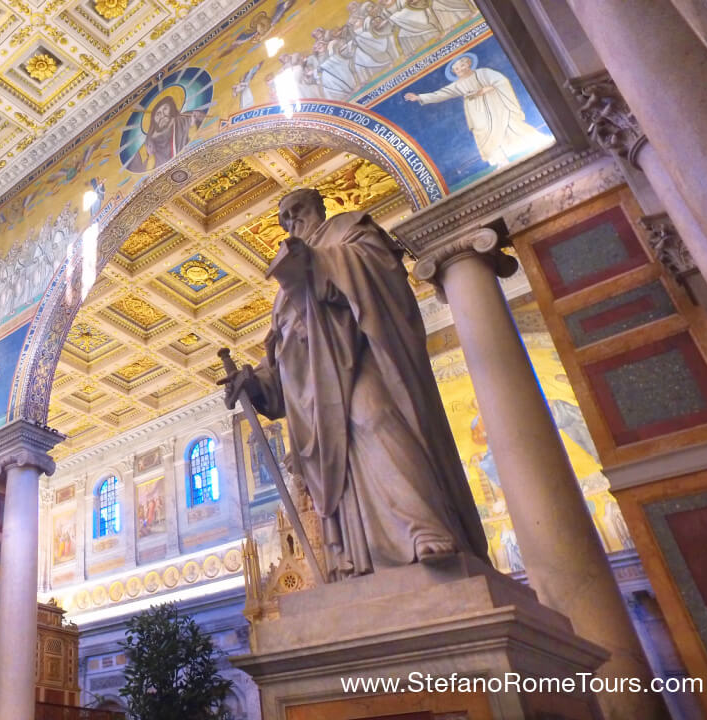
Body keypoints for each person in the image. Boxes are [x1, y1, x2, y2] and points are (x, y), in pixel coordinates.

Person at [220, 188, 489, 579]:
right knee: (343, 465)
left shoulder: (349, 230)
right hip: (314, 394)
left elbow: (380, 272)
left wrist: (319, 265)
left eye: (295, 211)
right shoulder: (282, 296)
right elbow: (279, 359)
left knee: (376, 420)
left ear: (319, 206)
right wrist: (255, 382)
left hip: (357, 360)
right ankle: (356, 560)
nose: (291, 221)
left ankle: (424, 527)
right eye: (284, 219)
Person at [404, 54, 548, 166]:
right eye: (456, 69)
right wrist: (419, 97)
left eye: (461, 66)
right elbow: (441, 94)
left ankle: (532, 143)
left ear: (468, 64)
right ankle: (499, 160)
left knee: (508, 125)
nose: (459, 70)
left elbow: (501, 81)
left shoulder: (483, 72)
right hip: (476, 112)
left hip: (495, 105)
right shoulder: (458, 85)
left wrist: (486, 89)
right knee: (483, 132)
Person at [125, 95, 205, 172]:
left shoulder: (185, 120)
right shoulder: (148, 144)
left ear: (171, 108)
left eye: (165, 109)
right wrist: (150, 156)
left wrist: (197, 118)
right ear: (153, 120)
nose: (162, 115)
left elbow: (204, 119)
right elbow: (135, 169)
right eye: (158, 114)